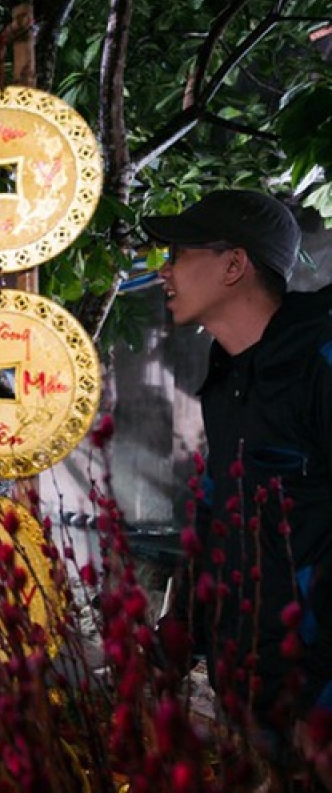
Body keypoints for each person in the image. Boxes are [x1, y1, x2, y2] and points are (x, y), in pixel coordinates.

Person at [144, 189, 330, 780]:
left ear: (234, 264)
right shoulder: (228, 381)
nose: (164, 271)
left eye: (178, 253)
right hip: (251, 692)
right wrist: (178, 639)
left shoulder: (318, 362)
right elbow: (215, 517)